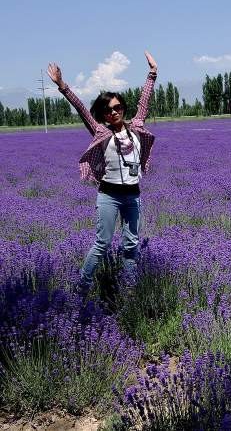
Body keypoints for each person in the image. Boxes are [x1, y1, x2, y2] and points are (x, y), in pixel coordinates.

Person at [47, 51, 158, 295]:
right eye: (109, 110)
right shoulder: (101, 133)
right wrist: (62, 86)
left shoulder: (137, 128)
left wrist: (152, 73)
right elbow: (81, 110)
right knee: (102, 243)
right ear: (103, 115)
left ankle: (128, 291)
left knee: (131, 245)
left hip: (133, 195)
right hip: (109, 195)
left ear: (123, 108)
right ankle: (82, 288)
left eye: (118, 107)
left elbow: (144, 102)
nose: (114, 112)